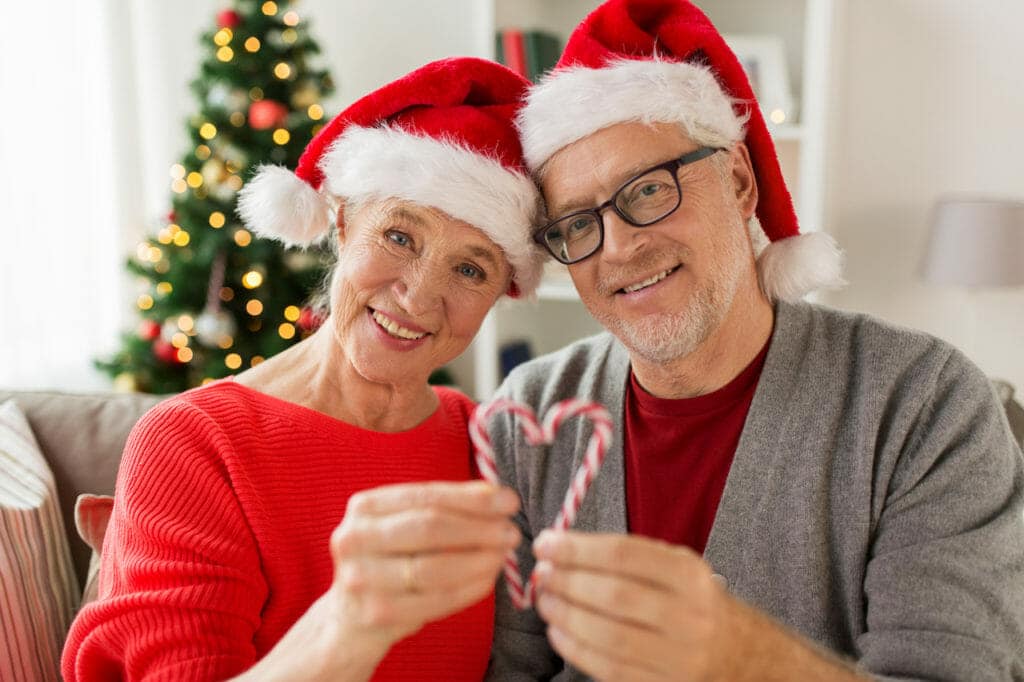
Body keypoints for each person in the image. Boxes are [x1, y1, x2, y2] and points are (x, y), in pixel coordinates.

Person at [484, 1, 1024, 680]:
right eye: (578, 225)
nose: (619, 247)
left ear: (739, 181)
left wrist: (738, 656)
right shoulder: (530, 416)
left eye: (648, 191)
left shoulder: (923, 405)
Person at [62, 57, 549, 681]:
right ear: (343, 223)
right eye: (399, 236)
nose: (420, 297)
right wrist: (348, 628)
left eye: (471, 269)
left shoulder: (487, 444)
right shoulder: (193, 444)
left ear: (502, 291)